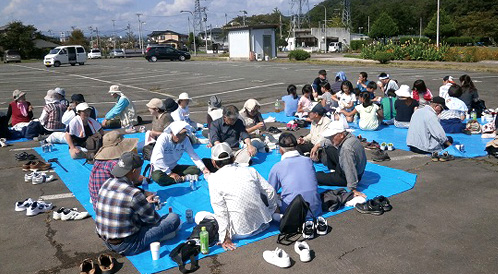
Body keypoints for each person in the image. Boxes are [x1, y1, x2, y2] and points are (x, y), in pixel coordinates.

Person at [95, 152, 180, 256]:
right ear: (134, 171)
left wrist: (141, 203)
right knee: (173, 218)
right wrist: (146, 204)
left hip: (106, 241)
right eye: (139, 170)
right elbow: (153, 220)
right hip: (127, 245)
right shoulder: (134, 194)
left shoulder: (106, 183)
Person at [206, 142, 277, 251]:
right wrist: (272, 211)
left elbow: (221, 212)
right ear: (233, 158)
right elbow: (270, 191)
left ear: (213, 163)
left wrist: (225, 237)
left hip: (241, 232)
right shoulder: (250, 170)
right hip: (264, 224)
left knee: (201, 215)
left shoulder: (213, 180)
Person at [268, 133, 322, 217]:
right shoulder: (308, 161)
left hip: (292, 212)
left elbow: (270, 191)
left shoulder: (277, 167)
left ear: (280, 150)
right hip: (315, 209)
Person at [316, 121, 367, 198]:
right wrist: (317, 145)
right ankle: (333, 170)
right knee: (328, 148)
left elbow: (350, 168)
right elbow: (329, 142)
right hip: (358, 170)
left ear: (341, 135)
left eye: (332, 137)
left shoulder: (346, 149)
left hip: (347, 176)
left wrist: (352, 189)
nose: (330, 139)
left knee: (316, 176)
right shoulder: (350, 136)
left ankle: (335, 176)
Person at [89, 130, 138, 209]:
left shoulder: (98, 162)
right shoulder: (114, 164)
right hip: (110, 206)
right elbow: (131, 183)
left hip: (98, 205)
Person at [150, 121, 209, 186]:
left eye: (184, 134)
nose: (182, 137)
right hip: (160, 168)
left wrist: (203, 168)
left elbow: (193, 154)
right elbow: (157, 159)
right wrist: (170, 173)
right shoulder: (163, 138)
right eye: (179, 134)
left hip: (173, 166)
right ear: (172, 133)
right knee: (158, 178)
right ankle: (183, 179)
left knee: (196, 170)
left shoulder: (185, 139)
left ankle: (175, 179)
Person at [206, 105, 257, 170]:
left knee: (253, 150)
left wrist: (249, 145)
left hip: (235, 151)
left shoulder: (238, 122)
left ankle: (232, 164)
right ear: (225, 117)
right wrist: (223, 151)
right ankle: (235, 164)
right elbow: (215, 139)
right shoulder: (215, 124)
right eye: (232, 119)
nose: (234, 120)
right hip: (222, 152)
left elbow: (244, 134)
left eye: (235, 118)